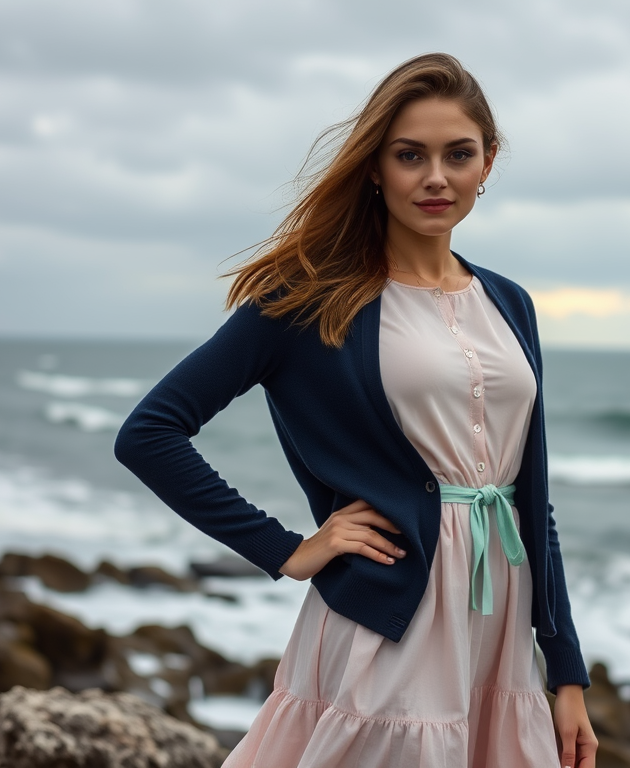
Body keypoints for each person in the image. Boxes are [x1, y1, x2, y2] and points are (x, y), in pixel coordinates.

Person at [115, 52, 597, 768]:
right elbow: (150, 434)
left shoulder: (509, 302)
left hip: (498, 628)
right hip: (392, 618)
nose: (436, 177)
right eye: (410, 155)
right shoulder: (308, 299)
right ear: (375, 166)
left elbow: (532, 501)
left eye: (458, 154)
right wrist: (286, 550)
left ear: (487, 164)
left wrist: (566, 669)